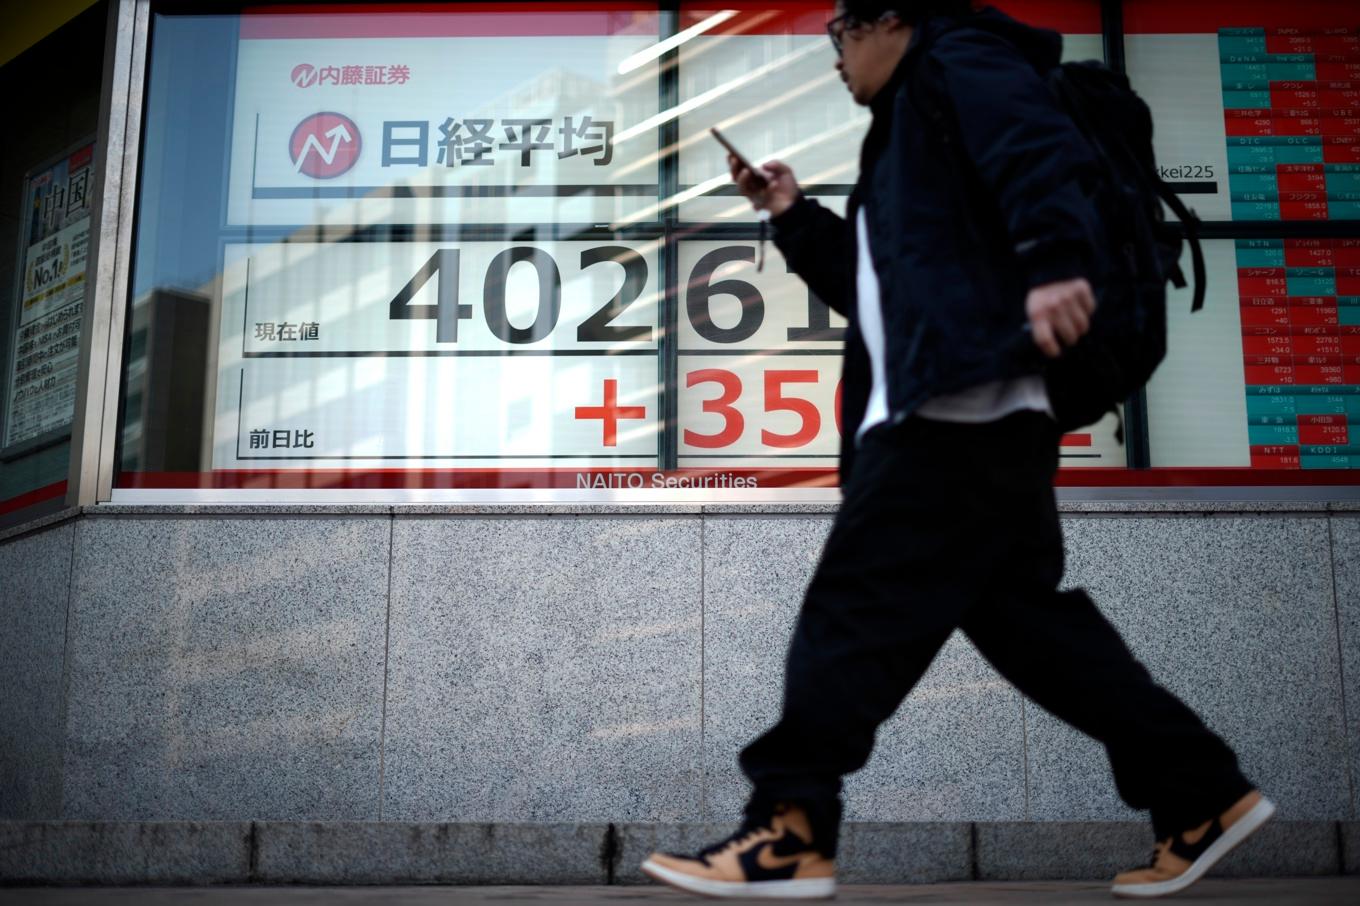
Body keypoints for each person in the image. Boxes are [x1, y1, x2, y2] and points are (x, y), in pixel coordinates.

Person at [641, 1, 1274, 900]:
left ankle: (789, 826)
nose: (833, 62)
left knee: (852, 609)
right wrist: (789, 213)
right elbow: (881, 293)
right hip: (986, 411)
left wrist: (1058, 259)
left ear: (887, 20)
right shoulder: (911, 133)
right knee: (1033, 629)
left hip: (956, 408)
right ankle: (1201, 790)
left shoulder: (958, 59)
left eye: (837, 39)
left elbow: (1036, 148)